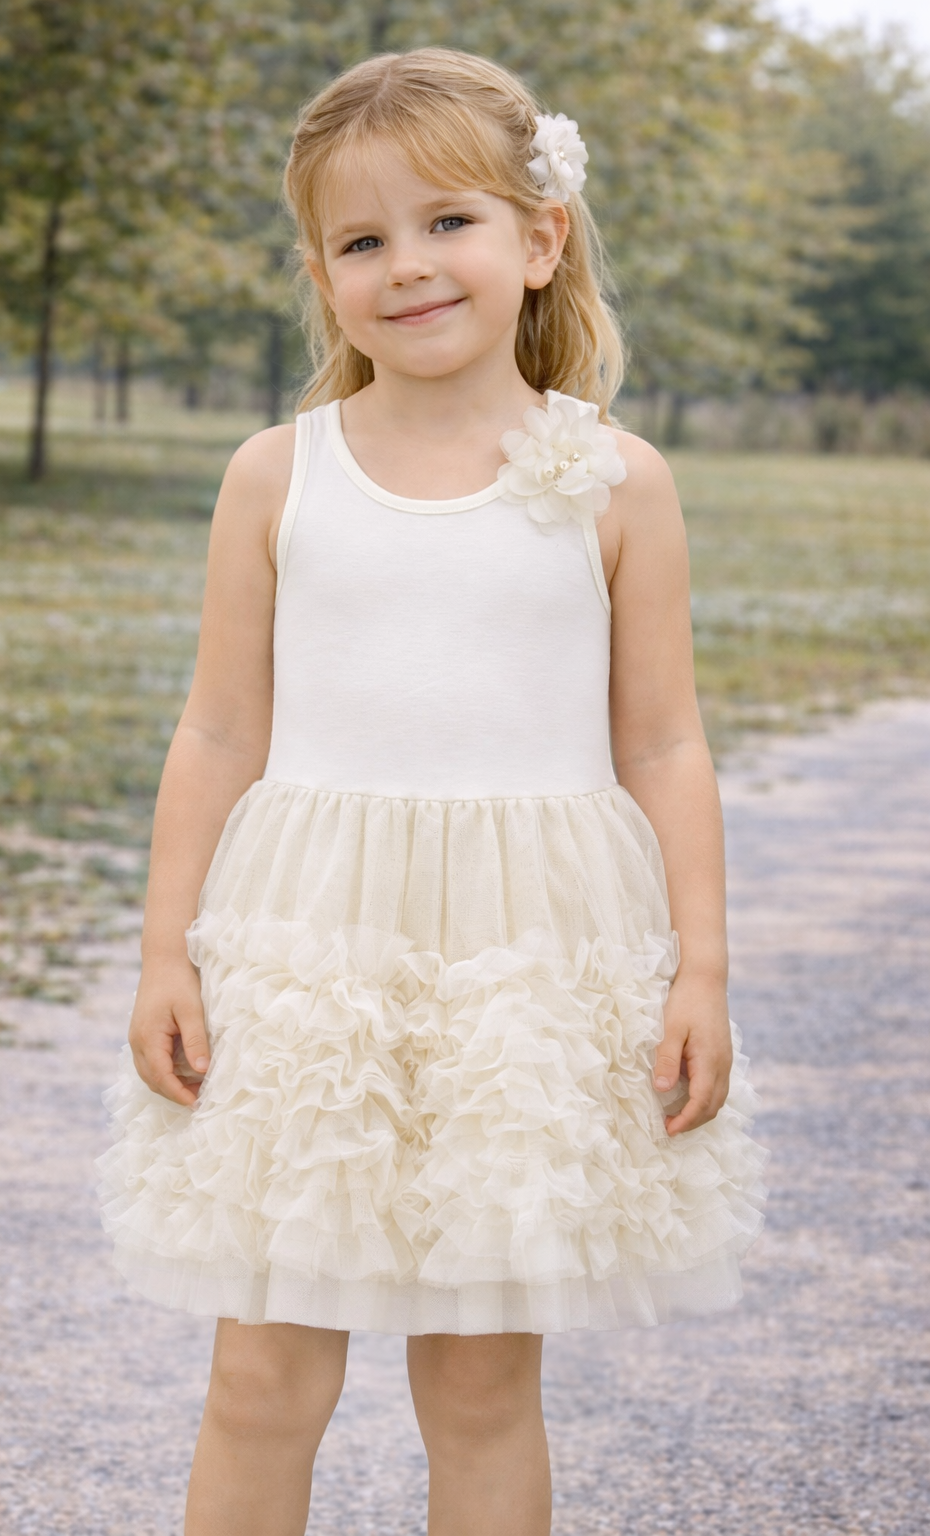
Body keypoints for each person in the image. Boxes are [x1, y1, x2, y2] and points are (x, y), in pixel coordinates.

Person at [96, 47, 766, 1536]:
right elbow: (218, 731)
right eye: (360, 240)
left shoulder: (615, 481)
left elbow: (665, 743)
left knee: (477, 1387)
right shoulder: (278, 476)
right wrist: (164, 954)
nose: (405, 264)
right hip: (309, 962)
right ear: (321, 277)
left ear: (539, 238)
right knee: (262, 1379)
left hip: (522, 973)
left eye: (447, 221)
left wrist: (701, 970)